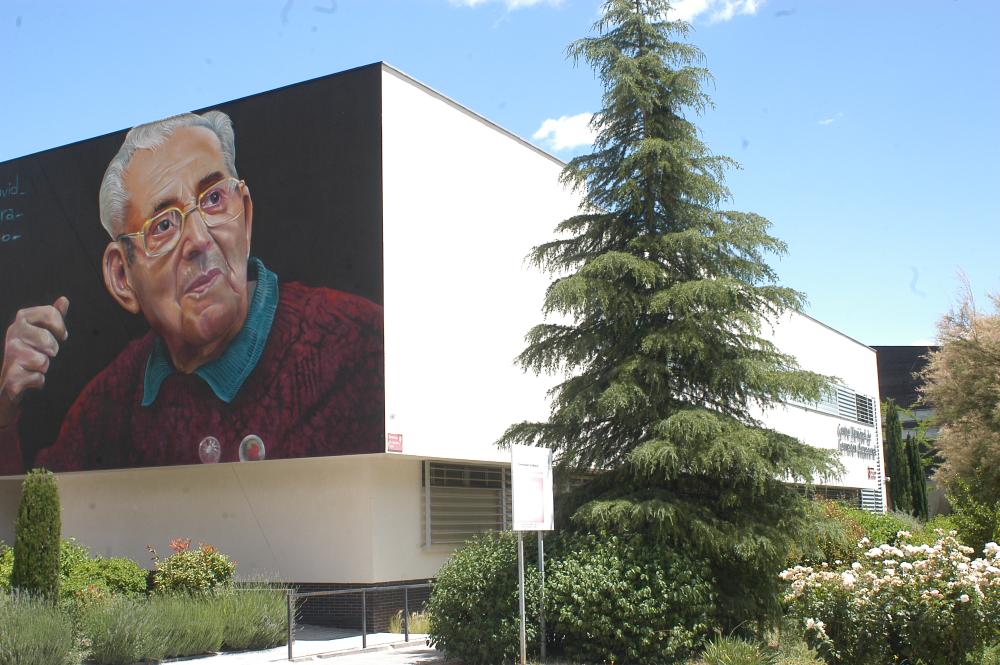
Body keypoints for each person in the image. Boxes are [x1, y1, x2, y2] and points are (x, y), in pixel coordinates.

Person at [0, 111, 383, 473]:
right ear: (122, 277)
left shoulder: (360, 343)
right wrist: (4, 411)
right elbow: (36, 509)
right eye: (164, 225)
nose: (199, 240)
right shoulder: (109, 404)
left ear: (245, 216)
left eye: (214, 199)